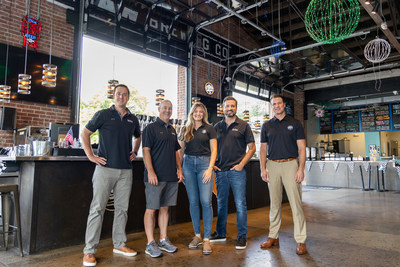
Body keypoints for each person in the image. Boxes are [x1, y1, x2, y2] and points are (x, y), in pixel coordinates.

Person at [81, 84, 141, 267]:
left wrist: (134, 150)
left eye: (124, 94)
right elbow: (85, 133)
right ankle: (89, 251)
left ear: (128, 97)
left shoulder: (133, 119)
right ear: (113, 96)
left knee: (122, 209)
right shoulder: (103, 114)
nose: (121, 97)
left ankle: (119, 244)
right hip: (105, 170)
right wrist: (91, 156)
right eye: (118, 94)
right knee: (97, 209)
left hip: (125, 170)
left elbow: (138, 136)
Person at [259, 94, 307, 255]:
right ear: (272, 106)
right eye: (274, 104)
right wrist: (263, 168)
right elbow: (263, 149)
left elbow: (301, 148)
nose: (277, 106)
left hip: (291, 165)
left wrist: (300, 169)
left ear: (284, 105)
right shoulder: (266, 126)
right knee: (274, 204)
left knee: (296, 204)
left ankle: (301, 240)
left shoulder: (295, 123)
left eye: (279, 103)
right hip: (272, 166)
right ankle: (273, 236)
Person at [210, 96, 256, 250]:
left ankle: (242, 236)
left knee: (240, 204)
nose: (230, 108)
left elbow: (252, 147)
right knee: (221, 203)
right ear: (223, 108)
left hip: (237, 172)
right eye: (227, 106)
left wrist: (241, 164)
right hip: (221, 172)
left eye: (232, 106)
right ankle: (220, 233)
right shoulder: (217, 126)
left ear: (236, 108)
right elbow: (211, 148)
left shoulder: (243, 125)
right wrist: (213, 164)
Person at [142, 100, 184, 258]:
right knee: (151, 209)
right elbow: (146, 151)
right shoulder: (150, 128)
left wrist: (179, 169)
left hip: (170, 176)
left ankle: (163, 240)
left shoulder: (172, 130)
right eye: (165, 108)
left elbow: (176, 153)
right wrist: (150, 172)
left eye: (170, 108)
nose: (167, 110)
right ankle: (150, 243)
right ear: (159, 109)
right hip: (155, 177)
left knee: (165, 208)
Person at [178, 102, 217, 255]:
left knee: (206, 201)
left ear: (204, 114)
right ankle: (197, 236)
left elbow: (214, 150)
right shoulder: (184, 129)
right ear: (192, 113)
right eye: (196, 111)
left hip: (204, 164)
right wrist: (179, 169)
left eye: (201, 111)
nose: (198, 114)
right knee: (193, 201)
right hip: (188, 165)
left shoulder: (209, 128)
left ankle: (207, 239)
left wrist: (209, 168)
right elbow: (180, 152)